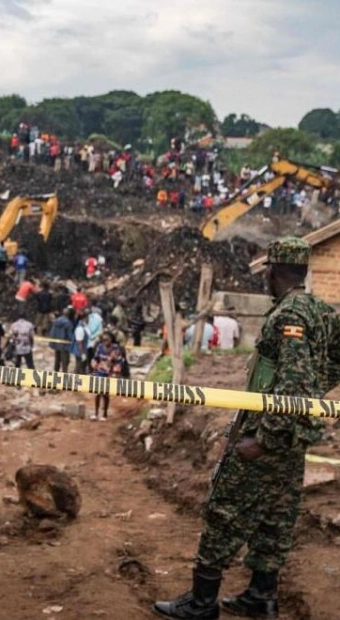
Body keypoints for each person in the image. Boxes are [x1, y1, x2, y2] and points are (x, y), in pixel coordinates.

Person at [153, 237, 340, 620]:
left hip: (267, 432)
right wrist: (317, 390)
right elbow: (325, 367)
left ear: (272, 271)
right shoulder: (322, 310)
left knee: (225, 511)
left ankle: (202, 602)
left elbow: (292, 384)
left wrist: (265, 438)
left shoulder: (288, 315)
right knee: (276, 513)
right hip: (293, 435)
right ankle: (261, 596)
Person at [90, 332, 124, 420]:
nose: (105, 342)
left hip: (110, 372)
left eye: (107, 340)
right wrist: (93, 362)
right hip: (99, 370)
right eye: (104, 340)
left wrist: (116, 370)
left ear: (111, 340)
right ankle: (96, 413)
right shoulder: (100, 347)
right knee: (97, 392)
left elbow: (120, 360)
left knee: (105, 393)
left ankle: (104, 413)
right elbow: (96, 357)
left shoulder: (115, 348)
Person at [49, 307, 74, 373]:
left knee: (57, 359)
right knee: (65, 360)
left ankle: (56, 371)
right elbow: (70, 335)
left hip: (56, 343)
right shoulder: (68, 323)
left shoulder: (56, 321)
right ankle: (64, 373)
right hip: (64, 345)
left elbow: (52, 332)